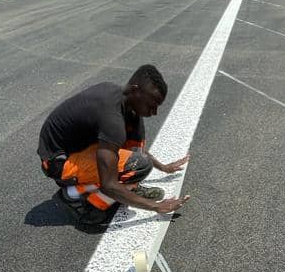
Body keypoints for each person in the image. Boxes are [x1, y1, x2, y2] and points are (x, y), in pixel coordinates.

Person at [37, 64, 189, 224]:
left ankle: (128, 187)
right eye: (151, 105)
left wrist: (163, 167)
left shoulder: (122, 100)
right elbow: (108, 184)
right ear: (135, 90)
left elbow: (137, 152)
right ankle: (81, 200)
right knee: (140, 166)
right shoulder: (111, 117)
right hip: (59, 163)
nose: (154, 112)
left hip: (79, 149)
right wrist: (156, 206)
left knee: (138, 145)